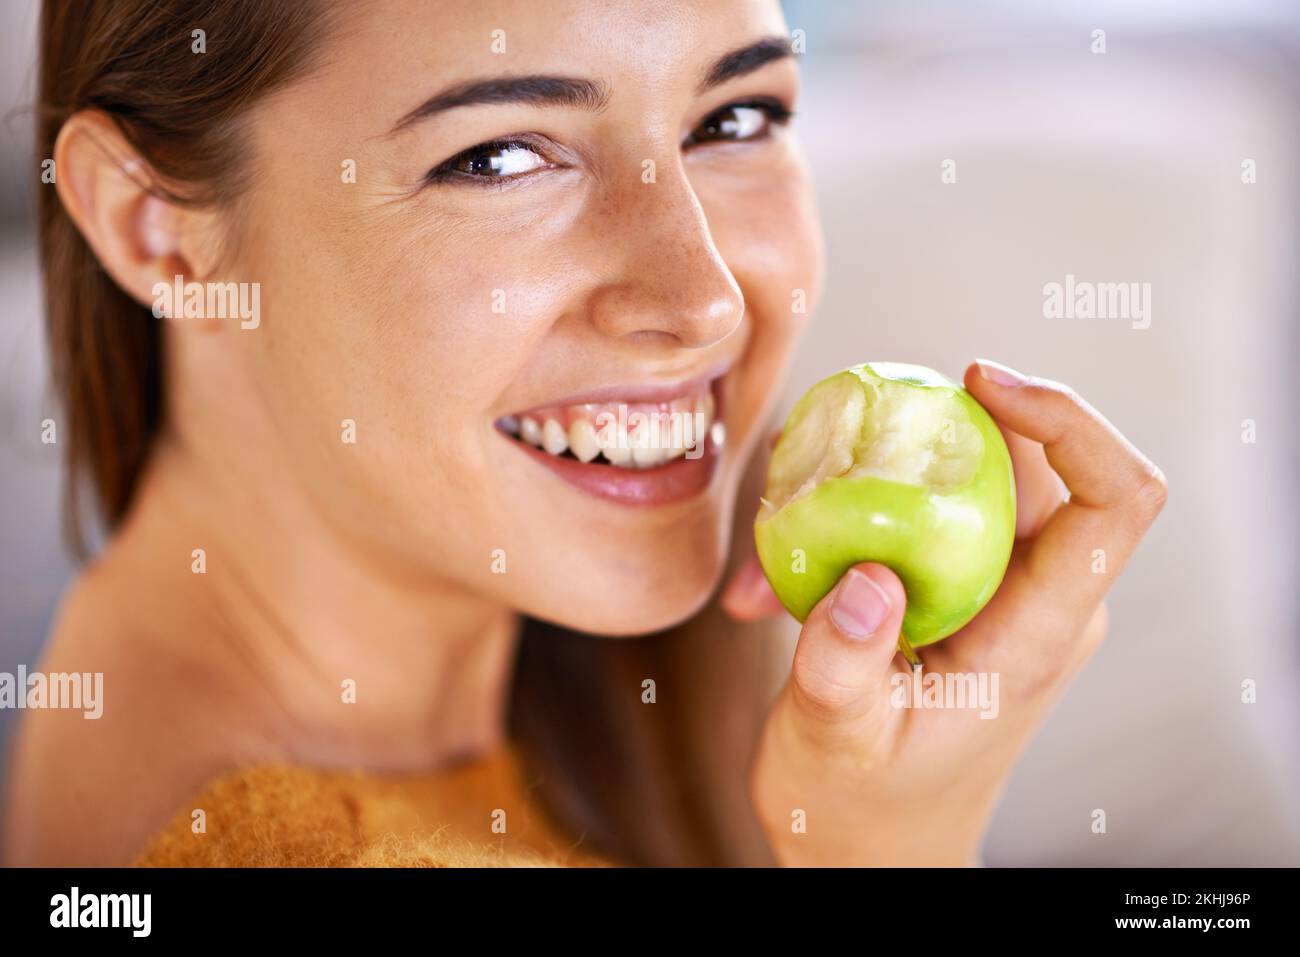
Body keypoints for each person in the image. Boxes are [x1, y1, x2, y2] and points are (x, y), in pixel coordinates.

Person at [5, 0, 1166, 867]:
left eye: (735, 115)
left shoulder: (546, 673)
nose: (702, 299)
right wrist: (889, 851)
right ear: (155, 230)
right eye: (500, 156)